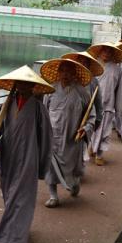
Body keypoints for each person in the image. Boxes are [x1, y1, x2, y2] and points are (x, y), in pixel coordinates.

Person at [0, 66, 53, 243]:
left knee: (20, 196)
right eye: (20, 82)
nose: (23, 86)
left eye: (27, 83)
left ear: (33, 86)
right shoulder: (6, 105)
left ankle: (11, 241)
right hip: (8, 155)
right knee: (9, 192)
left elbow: (45, 137)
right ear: (15, 84)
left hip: (29, 157)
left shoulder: (38, 108)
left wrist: (42, 164)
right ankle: (18, 229)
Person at [40, 58, 95, 207]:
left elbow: (90, 115)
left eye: (69, 71)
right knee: (50, 166)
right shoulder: (50, 90)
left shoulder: (81, 92)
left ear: (74, 74)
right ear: (58, 73)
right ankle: (53, 196)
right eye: (62, 71)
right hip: (52, 137)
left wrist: (86, 128)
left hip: (71, 138)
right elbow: (44, 113)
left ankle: (75, 183)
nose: (65, 74)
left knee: (72, 169)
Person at [60, 51, 104, 164]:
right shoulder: (67, 81)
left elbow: (98, 102)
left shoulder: (93, 81)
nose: (83, 64)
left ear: (89, 66)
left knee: (80, 145)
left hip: (84, 118)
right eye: (80, 62)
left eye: (86, 62)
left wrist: (97, 120)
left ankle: (77, 169)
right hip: (66, 119)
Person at [85, 43, 122, 166]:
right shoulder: (93, 66)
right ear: (99, 52)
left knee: (105, 132)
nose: (106, 53)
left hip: (108, 105)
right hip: (93, 105)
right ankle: (91, 147)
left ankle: (100, 154)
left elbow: (119, 90)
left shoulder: (117, 69)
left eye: (109, 51)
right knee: (92, 129)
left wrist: (119, 108)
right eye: (104, 51)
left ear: (112, 54)